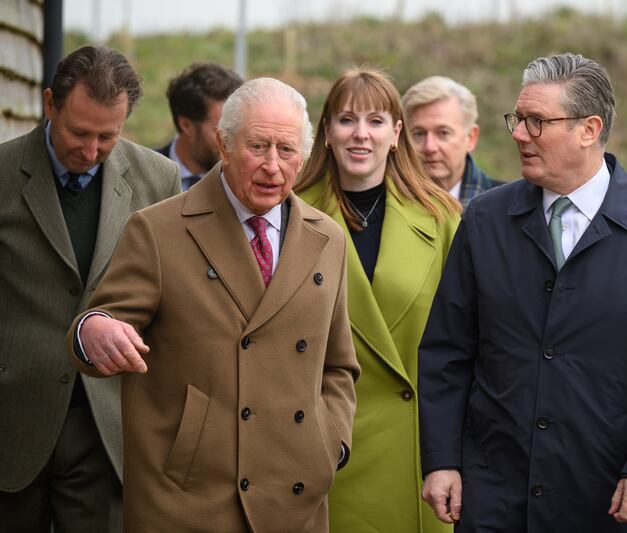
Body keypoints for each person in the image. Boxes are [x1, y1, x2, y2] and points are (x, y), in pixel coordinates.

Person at [418, 53, 627, 531]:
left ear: (589, 129)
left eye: (536, 122)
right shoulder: (485, 220)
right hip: (491, 496)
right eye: (517, 119)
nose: (517, 133)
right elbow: (447, 351)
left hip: (606, 497)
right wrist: (442, 459)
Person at [66, 77, 360, 532]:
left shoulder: (328, 238)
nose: (272, 166)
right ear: (223, 146)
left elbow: (338, 366)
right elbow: (99, 321)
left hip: (294, 494)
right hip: (188, 498)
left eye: (287, 150)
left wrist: (331, 443)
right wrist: (94, 331)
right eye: (258, 146)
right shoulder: (159, 230)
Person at [0, 45, 181, 532]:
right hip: (11, 420)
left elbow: (174, 300)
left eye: (108, 137)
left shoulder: (159, 179)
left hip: (109, 426)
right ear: (49, 105)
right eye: (79, 133)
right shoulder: (1, 172)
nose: (91, 150)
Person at [295, 68, 461, 533]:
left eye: (376, 121)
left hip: (420, 457)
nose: (360, 134)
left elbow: (470, 340)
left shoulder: (442, 216)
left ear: (396, 133)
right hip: (323, 448)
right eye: (347, 120)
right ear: (326, 131)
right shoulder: (289, 215)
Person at [402, 75, 502, 207]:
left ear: (471, 138)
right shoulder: (385, 205)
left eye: (443, 133)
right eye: (418, 134)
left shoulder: (505, 204)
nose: (430, 147)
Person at [155, 62, 243, 191]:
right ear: (186, 125)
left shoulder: (248, 180)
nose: (234, 144)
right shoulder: (144, 173)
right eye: (223, 132)